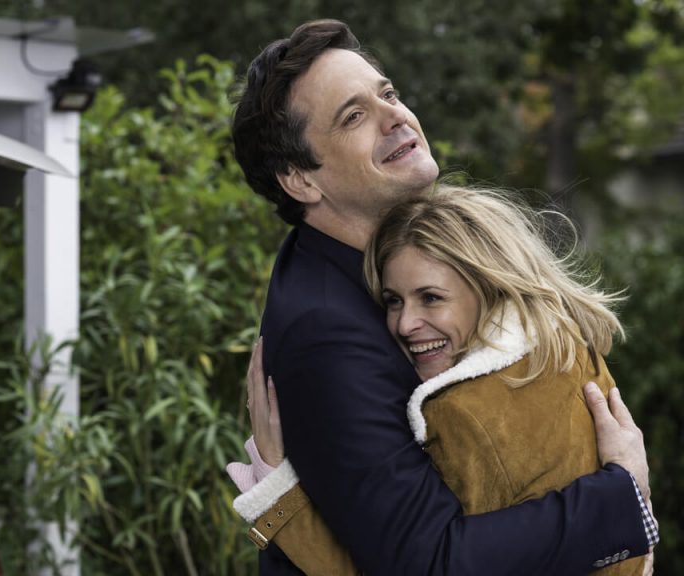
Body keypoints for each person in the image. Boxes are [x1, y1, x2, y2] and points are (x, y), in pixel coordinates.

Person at [229, 18, 657, 575]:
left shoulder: (407, 255)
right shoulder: (326, 335)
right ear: (301, 180)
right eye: (353, 116)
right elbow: (427, 560)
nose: (396, 117)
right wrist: (621, 496)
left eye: (388, 94)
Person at [227, 185, 654, 575]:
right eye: (393, 301)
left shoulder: (463, 413)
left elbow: (427, 567)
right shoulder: (566, 349)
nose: (404, 323)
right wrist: (627, 494)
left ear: (488, 285)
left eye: (431, 298)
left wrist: (278, 497)